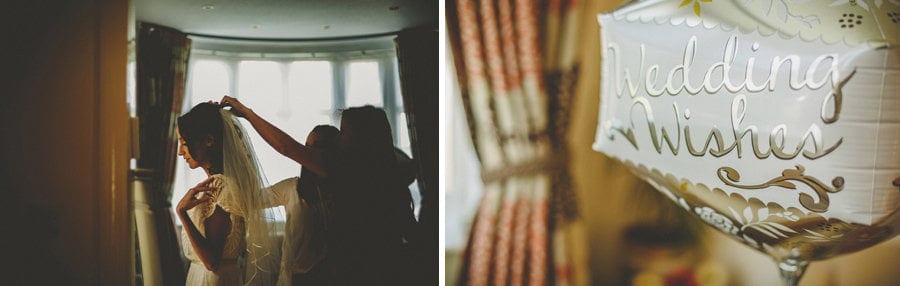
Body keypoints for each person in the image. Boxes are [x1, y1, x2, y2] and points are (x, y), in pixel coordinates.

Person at [220, 96, 417, 285]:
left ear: (362, 137)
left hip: (361, 272)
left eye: (344, 132)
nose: (340, 138)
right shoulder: (382, 172)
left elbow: (286, 147)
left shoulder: (349, 170)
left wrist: (247, 113)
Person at [175, 103, 278, 286]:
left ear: (208, 141)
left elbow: (211, 261)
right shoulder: (215, 184)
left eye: (184, 143)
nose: (180, 152)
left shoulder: (223, 188)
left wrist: (182, 213)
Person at [261, 125, 339, 286]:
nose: (307, 153)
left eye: (316, 147)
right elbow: (252, 199)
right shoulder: (291, 188)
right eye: (306, 147)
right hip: (295, 280)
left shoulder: (346, 190)